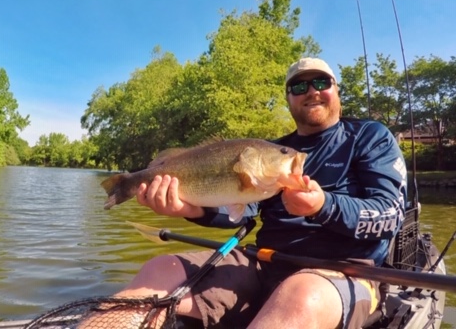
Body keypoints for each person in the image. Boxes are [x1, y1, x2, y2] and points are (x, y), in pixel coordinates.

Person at [104, 58, 408, 329]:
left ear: (336, 89)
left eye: (321, 82)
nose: (311, 91)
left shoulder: (370, 137)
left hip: (346, 274)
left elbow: (391, 216)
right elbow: (243, 210)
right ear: (289, 99)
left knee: (302, 296)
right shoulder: (270, 150)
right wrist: (191, 209)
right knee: (159, 270)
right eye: (299, 86)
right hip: (263, 265)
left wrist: (322, 205)